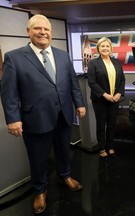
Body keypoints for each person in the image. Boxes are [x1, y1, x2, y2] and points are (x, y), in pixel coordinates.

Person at [0, 14, 86, 214]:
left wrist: (79, 104)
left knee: (64, 150)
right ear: (28, 32)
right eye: (37, 28)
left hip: (63, 115)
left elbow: (72, 83)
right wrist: (13, 119)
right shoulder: (14, 57)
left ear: (51, 33)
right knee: (38, 158)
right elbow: (9, 92)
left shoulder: (63, 55)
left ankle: (65, 176)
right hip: (35, 118)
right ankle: (40, 190)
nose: (42, 32)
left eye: (46, 29)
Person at [87, 37, 125, 158]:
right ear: (98, 48)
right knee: (101, 125)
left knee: (112, 124)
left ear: (111, 48)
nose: (105, 48)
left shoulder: (116, 62)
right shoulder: (93, 63)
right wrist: (105, 95)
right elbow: (92, 82)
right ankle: (102, 148)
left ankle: (110, 146)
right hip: (100, 100)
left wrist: (119, 93)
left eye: (107, 46)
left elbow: (122, 79)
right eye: (102, 46)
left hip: (115, 99)